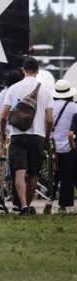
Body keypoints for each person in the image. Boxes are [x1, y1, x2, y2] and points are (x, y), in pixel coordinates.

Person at [0, 57, 54, 215]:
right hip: (38, 136)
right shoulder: (46, 91)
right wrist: (47, 136)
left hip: (18, 135)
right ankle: (28, 205)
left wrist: (3, 133)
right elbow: (50, 119)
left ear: (23, 70)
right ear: (38, 71)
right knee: (34, 173)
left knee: (20, 171)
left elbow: (3, 116)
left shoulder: (13, 89)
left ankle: (23, 205)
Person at [50, 80, 77, 214]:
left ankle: (49, 201)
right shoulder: (74, 107)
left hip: (52, 147)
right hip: (68, 146)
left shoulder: (50, 105)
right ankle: (63, 206)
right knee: (67, 176)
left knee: (51, 176)